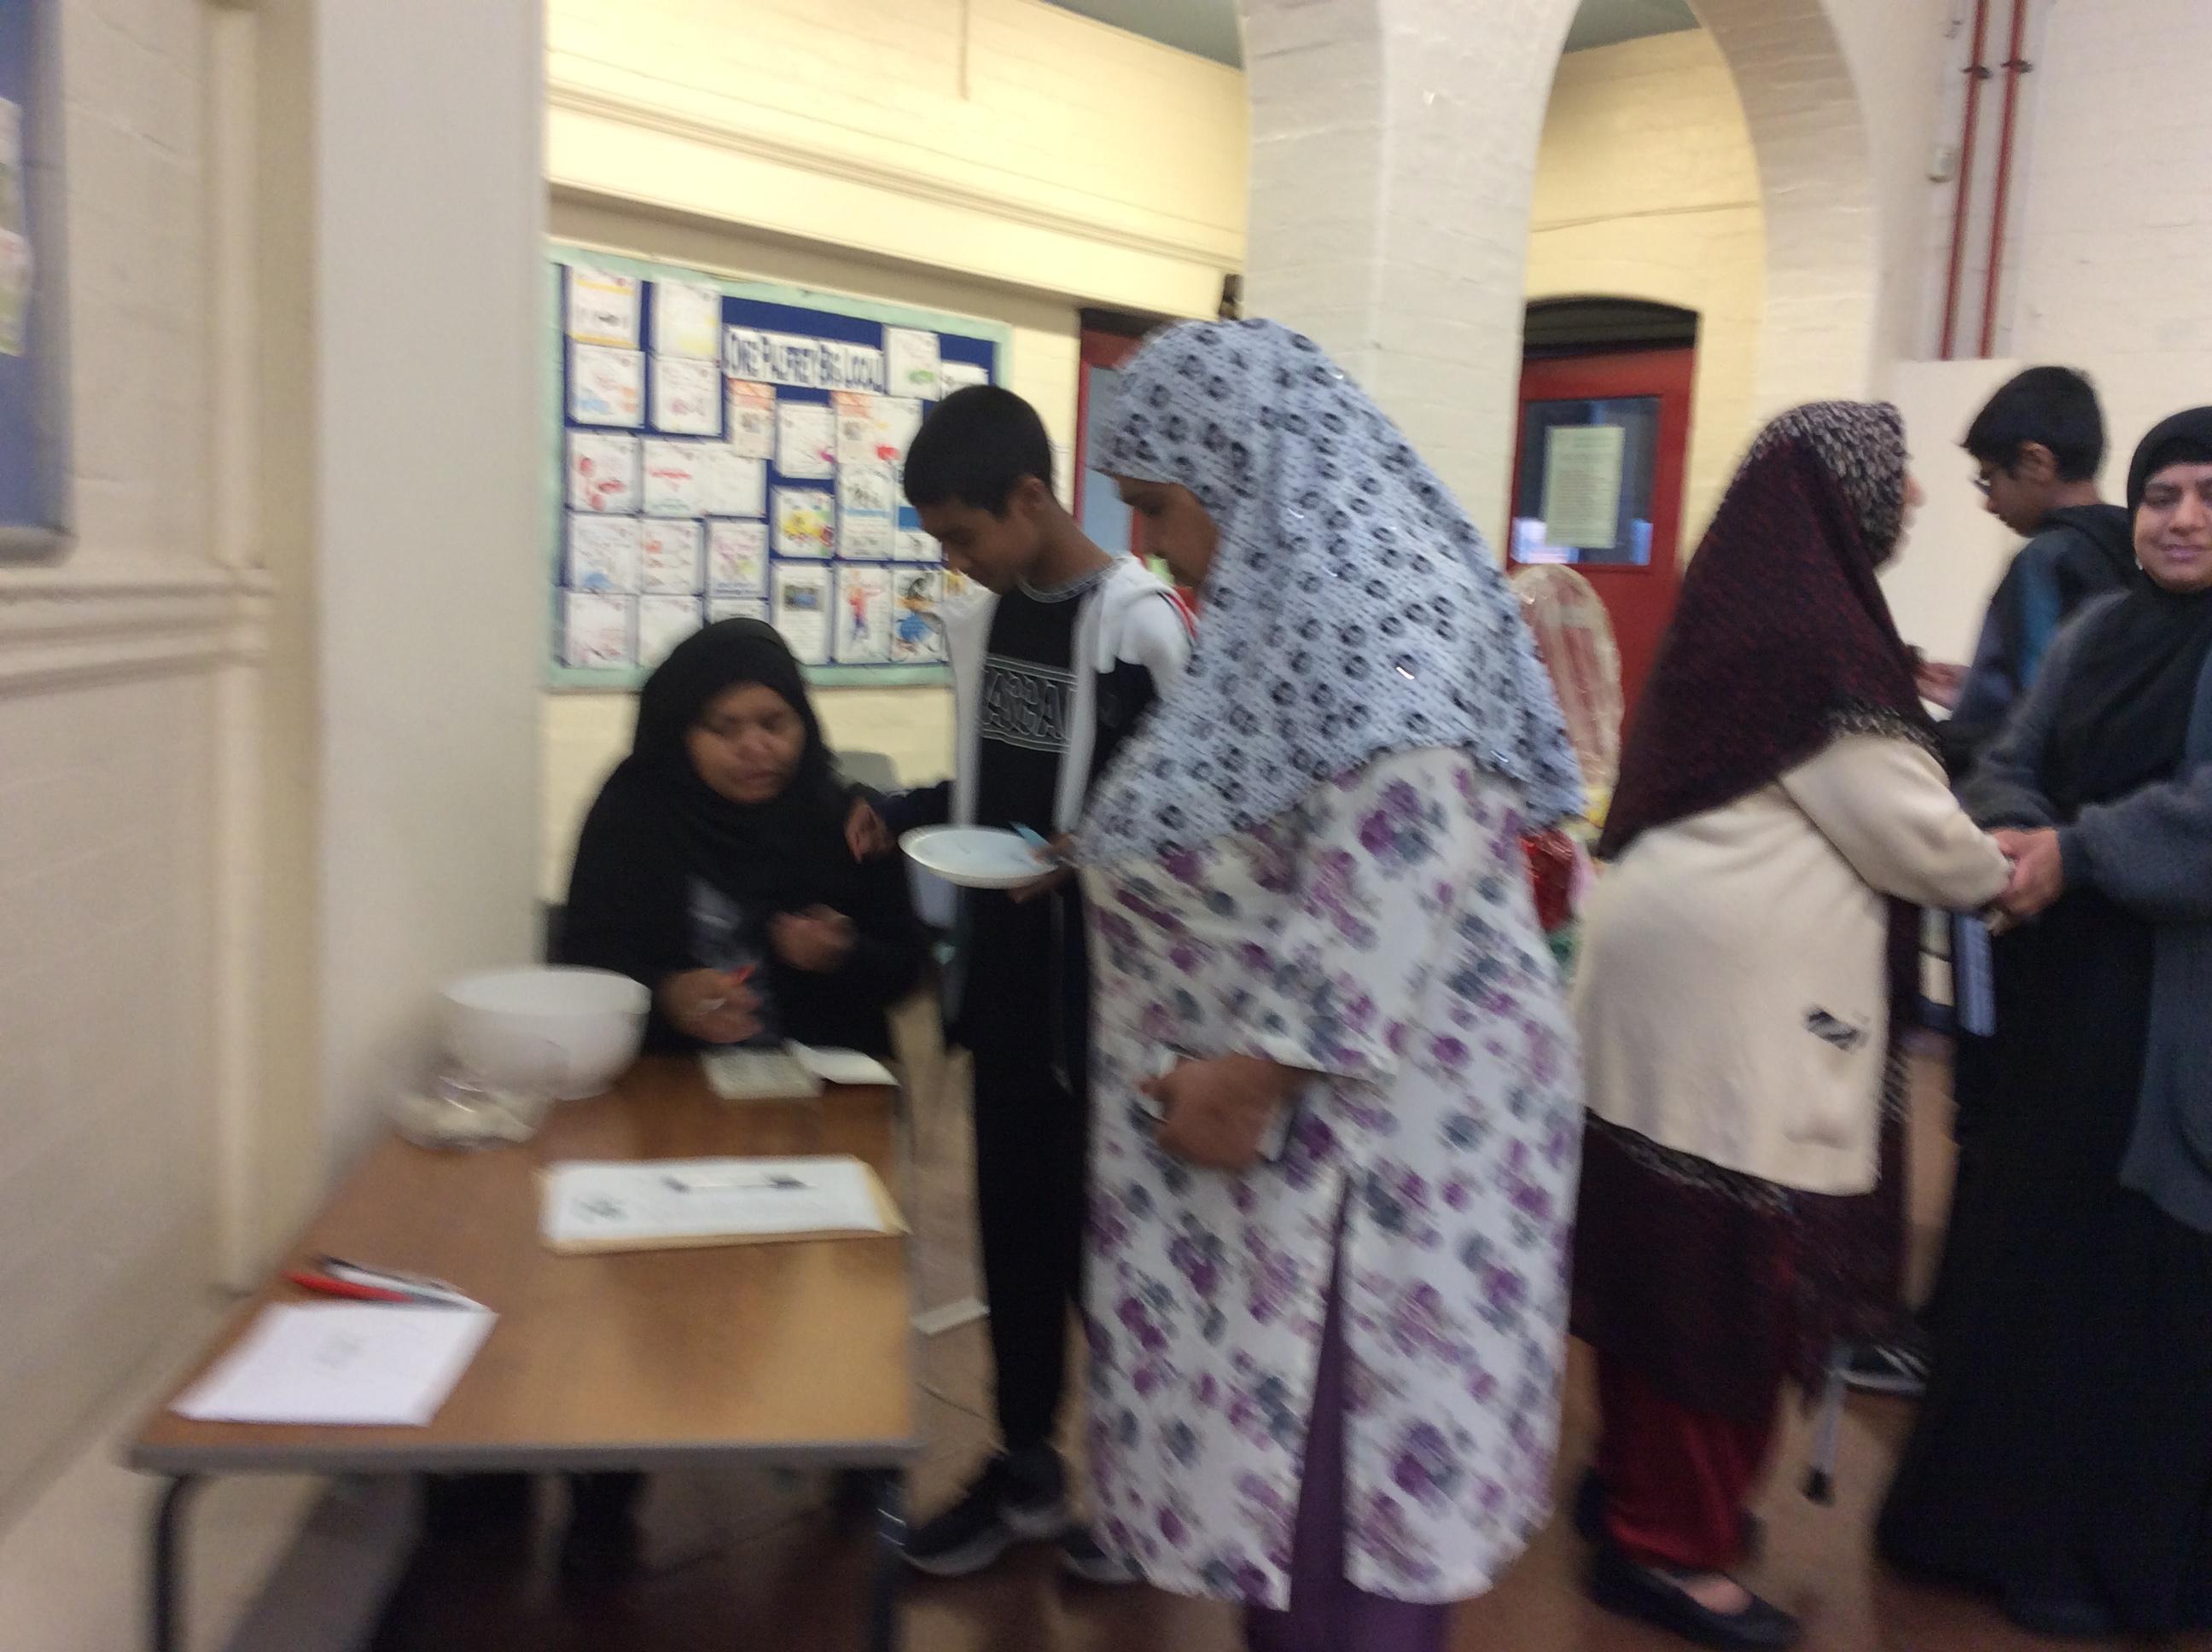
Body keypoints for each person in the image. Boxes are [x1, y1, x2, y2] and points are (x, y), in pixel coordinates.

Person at [1076, 319, 1587, 1652]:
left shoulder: (1384, 606)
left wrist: (1252, 1076)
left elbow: (1396, 865)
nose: (1151, 543)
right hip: (1322, 1137)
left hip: (1377, 1148)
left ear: (1233, 464)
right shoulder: (1302, 607)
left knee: (1346, 1492)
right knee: (1297, 1480)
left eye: (1157, 504)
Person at [1569, 403, 2011, 1649]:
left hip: (1662, 1003)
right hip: (1735, 1023)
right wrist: (2019, 867)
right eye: (1897, 476)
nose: (1914, 497)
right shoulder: (1820, 644)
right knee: (1728, 1288)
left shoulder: (1744, 609)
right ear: (1839, 495)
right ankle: (1667, 1550)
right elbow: (1918, 839)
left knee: (1661, 1259)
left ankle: (1633, 1494)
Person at [846, 385, 1192, 1579]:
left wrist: (1090, 857)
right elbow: (998, 792)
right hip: (1006, 985)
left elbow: (1189, 825)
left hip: (1107, 1004)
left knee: (1117, 1256)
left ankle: (1147, 1498)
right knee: (1014, 1235)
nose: (957, 561)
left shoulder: (1138, 628)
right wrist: (902, 809)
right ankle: (1026, 1463)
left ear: (1030, 497)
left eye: (964, 535)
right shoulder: (992, 622)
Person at [1877, 409, 2212, 1638]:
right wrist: (2016, 830)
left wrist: (2082, 851)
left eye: (2208, 497)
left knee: (2138, 1284)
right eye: (2162, 495)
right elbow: (2011, 753)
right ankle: (1991, 1533)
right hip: (2060, 1001)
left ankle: (2102, 1561)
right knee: (2031, 1255)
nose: (2182, 520)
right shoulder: (2100, 631)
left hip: (2173, 1019)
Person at [553, 618, 928, 1579]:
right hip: (669, 1087)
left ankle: (856, 1455)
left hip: (822, 1093)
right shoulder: (632, 812)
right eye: (725, 728)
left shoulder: (841, 816)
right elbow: (583, 959)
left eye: (776, 722)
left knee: (838, 1290)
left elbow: (907, 967)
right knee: (646, 1291)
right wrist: (667, 995)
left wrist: (841, 954)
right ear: (679, 731)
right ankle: (605, 1489)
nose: (758, 748)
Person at [1920, 366, 2134, 777]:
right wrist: (1976, 691)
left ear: (2037, 462)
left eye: (1989, 480)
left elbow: (2041, 718)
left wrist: (1927, 737)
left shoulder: (2043, 560)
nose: (1989, 503)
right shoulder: (2130, 548)